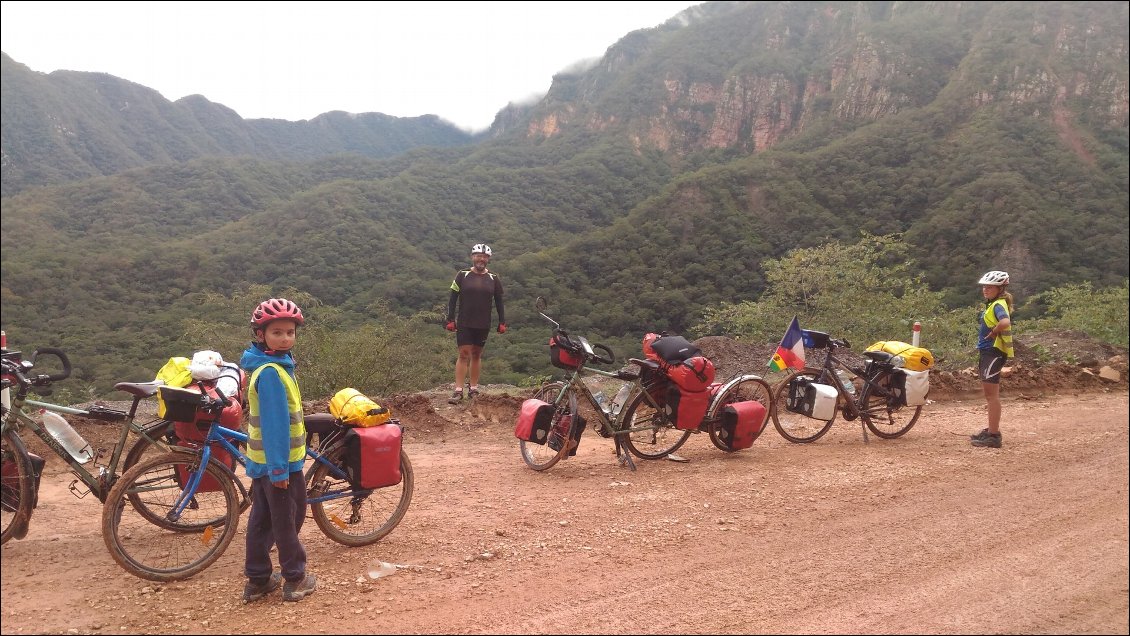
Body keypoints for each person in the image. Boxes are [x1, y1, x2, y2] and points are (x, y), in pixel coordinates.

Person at [239, 298, 317, 602]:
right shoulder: (271, 372)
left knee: (262, 519)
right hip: (279, 463)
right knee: (287, 520)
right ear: (261, 335)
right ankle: (295, 578)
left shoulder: (270, 365)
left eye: (290, 332)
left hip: (264, 462)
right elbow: (274, 426)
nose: (285, 338)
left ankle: (258, 579)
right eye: (277, 332)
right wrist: (279, 469)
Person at [445, 243, 507, 404]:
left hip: (483, 323)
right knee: (464, 354)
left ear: (488, 259)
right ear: (472, 257)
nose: (481, 259)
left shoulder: (494, 278)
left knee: (477, 355)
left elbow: (499, 302)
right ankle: (458, 390)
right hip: (465, 321)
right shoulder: (462, 275)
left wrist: (502, 321)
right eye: (478, 255)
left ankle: (473, 388)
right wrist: (450, 319)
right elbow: (453, 298)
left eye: (485, 256)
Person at [971, 271, 1014, 448]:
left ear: (1000, 288)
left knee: (991, 396)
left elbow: (1005, 322)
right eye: (984, 286)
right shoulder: (995, 304)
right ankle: (991, 430)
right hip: (990, 352)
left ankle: (994, 435)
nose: (985, 289)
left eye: (989, 287)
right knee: (991, 395)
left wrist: (994, 332)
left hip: (993, 352)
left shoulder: (998, 305)